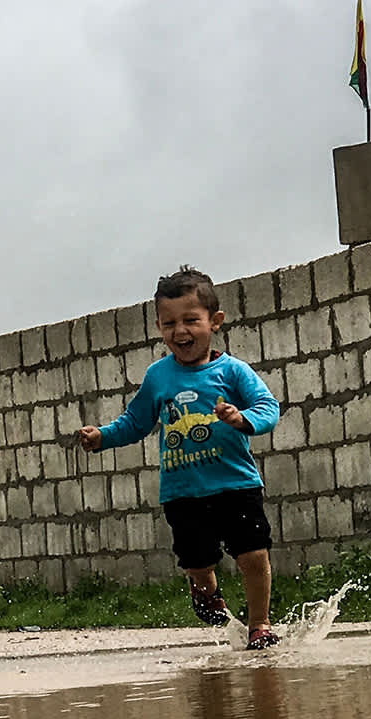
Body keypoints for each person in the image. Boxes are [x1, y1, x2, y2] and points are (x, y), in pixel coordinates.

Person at [76, 265, 282, 650]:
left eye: (191, 320)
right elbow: (135, 421)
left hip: (236, 485)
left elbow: (268, 406)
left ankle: (261, 624)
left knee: (253, 555)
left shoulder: (233, 371)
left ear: (215, 321)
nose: (180, 331)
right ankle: (205, 590)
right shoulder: (159, 376)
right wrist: (103, 436)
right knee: (197, 562)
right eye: (169, 324)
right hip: (182, 492)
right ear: (159, 327)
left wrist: (243, 418)